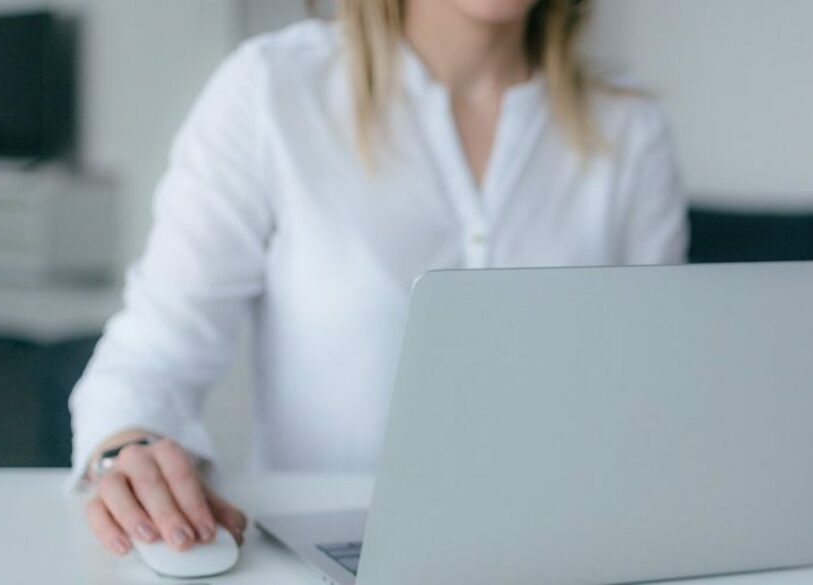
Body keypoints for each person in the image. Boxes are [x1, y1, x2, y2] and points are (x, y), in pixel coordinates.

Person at [70, 0, 687, 557]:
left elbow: (657, 393)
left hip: (569, 550)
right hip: (325, 554)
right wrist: (128, 451)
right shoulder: (271, 91)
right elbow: (151, 358)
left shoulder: (630, 127)